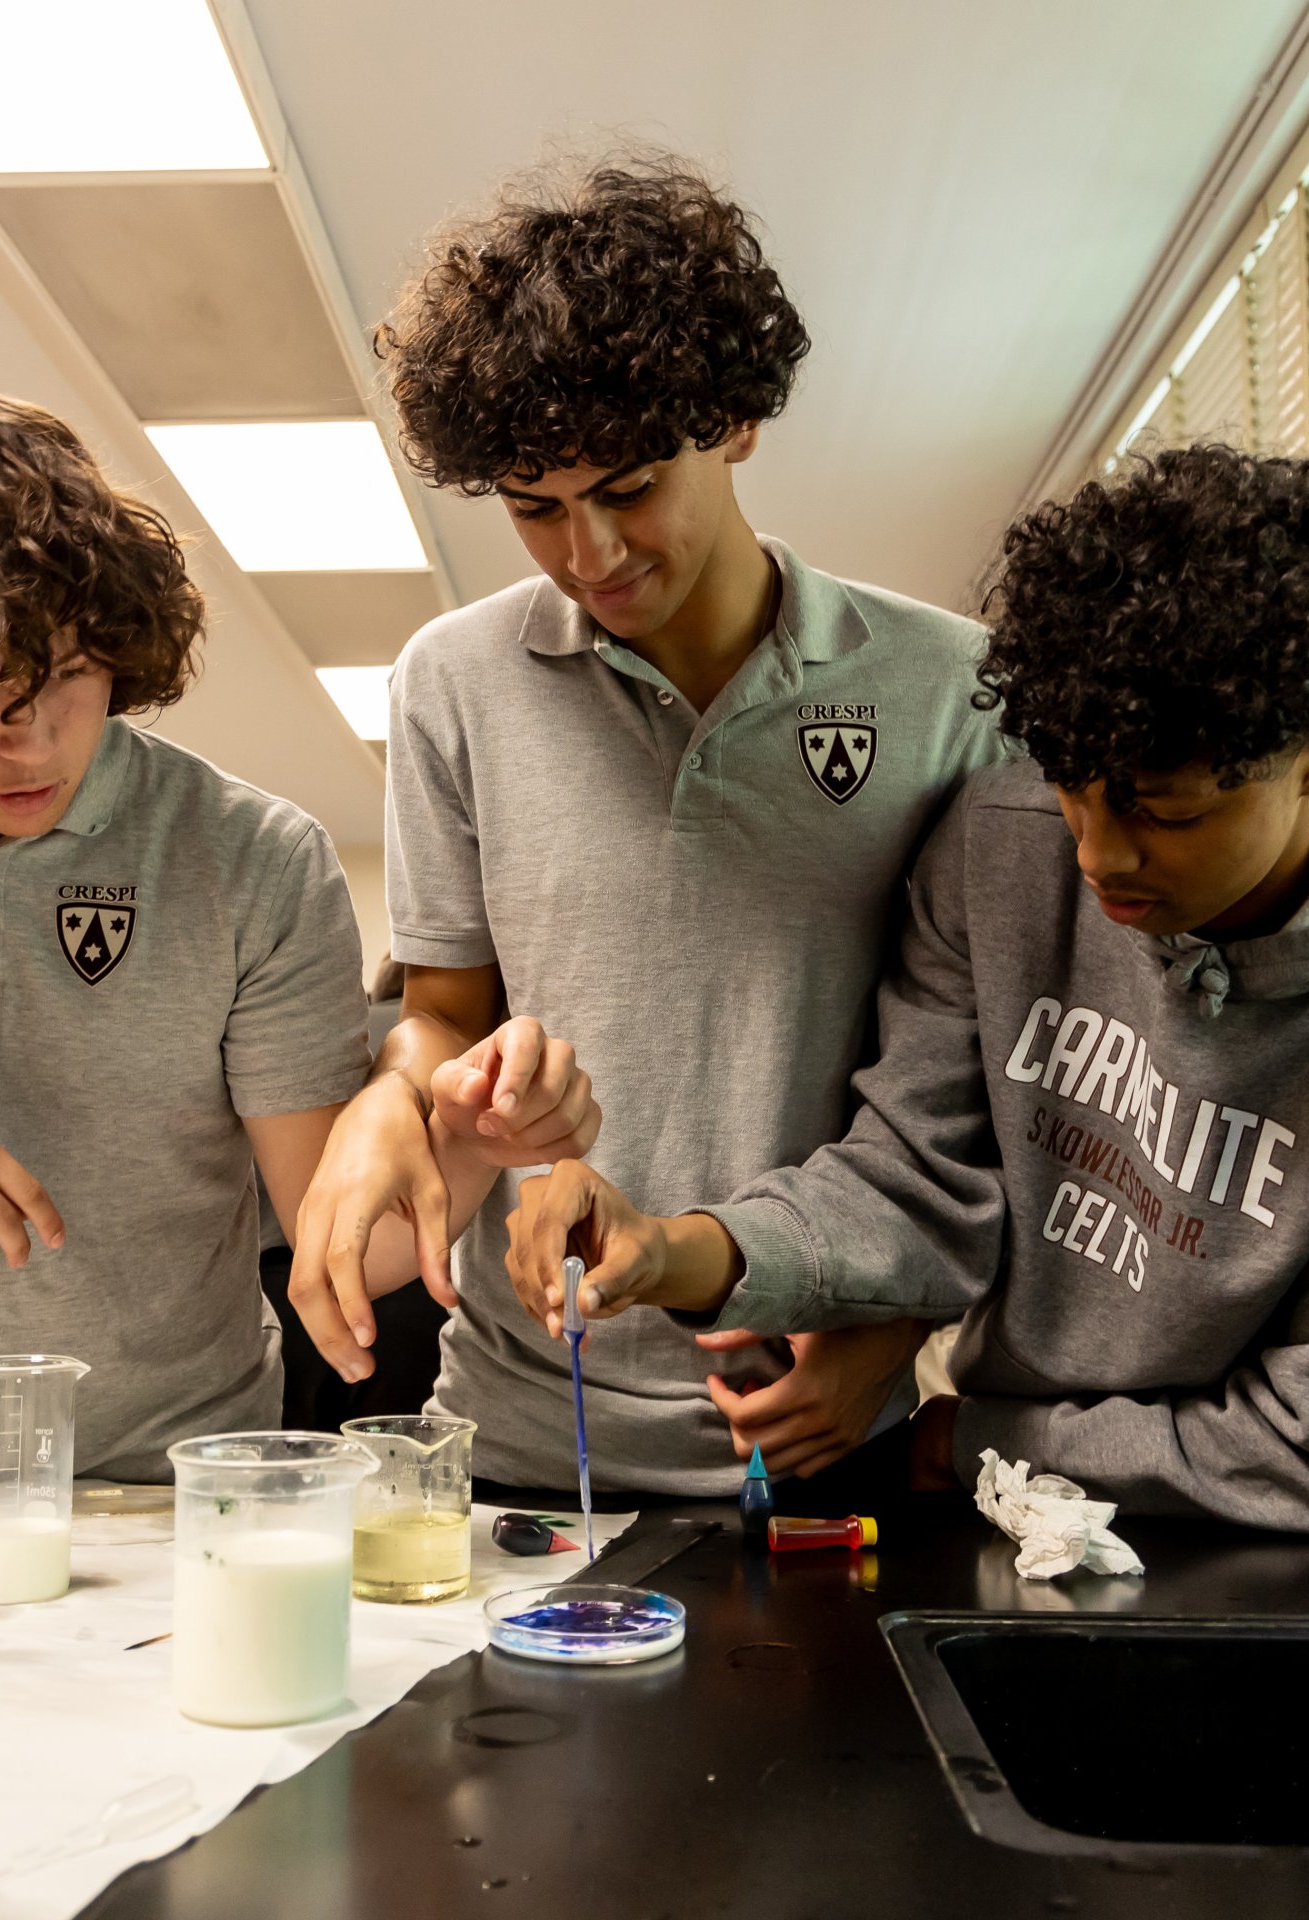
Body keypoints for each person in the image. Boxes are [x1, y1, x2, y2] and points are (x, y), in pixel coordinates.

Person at [510, 445, 1309, 1530]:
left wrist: (983, 1440)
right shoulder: (1003, 843)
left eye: (1165, 812)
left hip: (1261, 1556)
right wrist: (675, 1250)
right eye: (1071, 793)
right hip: (1007, 1516)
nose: (1098, 858)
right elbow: (919, 1174)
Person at [0, 392, 593, 1480]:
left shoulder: (253, 856)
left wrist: (466, 1140)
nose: (26, 743)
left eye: (66, 680)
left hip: (173, 1488)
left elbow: (342, 1244)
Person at [289, 154, 1003, 1495]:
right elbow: (449, 1012)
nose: (589, 555)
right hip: (515, 1444)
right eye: (534, 510)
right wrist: (401, 1092)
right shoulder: (451, 682)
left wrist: (892, 1338)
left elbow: (970, 1101)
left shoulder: (950, 692)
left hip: (820, 1424)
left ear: (735, 422)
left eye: (626, 489)